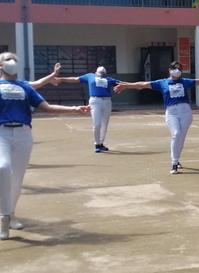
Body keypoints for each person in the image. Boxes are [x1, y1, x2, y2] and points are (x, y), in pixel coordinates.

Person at [0, 52, 90, 240]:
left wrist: (74, 109)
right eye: (7, 60)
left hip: (23, 135)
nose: (12, 62)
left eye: (14, 59)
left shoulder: (25, 86)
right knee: (3, 168)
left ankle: (11, 214)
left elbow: (46, 107)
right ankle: (4, 217)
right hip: (2, 134)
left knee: (17, 179)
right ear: (0, 66)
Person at [113, 61, 199, 174]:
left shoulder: (185, 82)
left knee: (181, 138)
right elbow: (142, 85)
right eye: (175, 68)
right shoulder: (162, 83)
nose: (177, 70)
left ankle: (177, 158)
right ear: (169, 70)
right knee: (176, 134)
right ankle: (174, 162)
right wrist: (126, 85)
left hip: (185, 112)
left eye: (179, 69)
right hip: (172, 112)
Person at [55, 66, 121, 153]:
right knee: (97, 123)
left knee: (104, 124)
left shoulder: (109, 79)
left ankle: (101, 143)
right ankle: (97, 144)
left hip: (107, 101)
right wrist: (61, 79)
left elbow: (122, 84)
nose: (102, 75)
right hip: (95, 101)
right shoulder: (90, 76)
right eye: (100, 73)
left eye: (104, 74)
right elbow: (75, 79)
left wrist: (132, 86)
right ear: (96, 72)